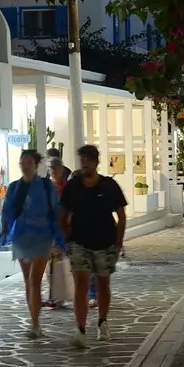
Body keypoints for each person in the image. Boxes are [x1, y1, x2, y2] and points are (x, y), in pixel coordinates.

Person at [60, 143, 130, 347]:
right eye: (81, 160)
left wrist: (118, 242)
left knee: (103, 284)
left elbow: (121, 215)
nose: (84, 164)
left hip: (105, 241)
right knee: (81, 285)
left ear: (96, 161)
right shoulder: (72, 187)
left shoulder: (109, 186)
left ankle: (102, 322)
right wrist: (66, 237)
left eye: (87, 160)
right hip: (79, 241)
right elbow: (62, 213)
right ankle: (80, 328)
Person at [0, 148, 65, 338]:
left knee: (34, 280)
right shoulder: (14, 187)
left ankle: (36, 323)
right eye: (22, 162)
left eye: (28, 162)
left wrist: (58, 237)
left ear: (36, 165)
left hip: (42, 237)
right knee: (28, 281)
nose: (25, 166)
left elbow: (55, 211)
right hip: (21, 237)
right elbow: (7, 211)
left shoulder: (45, 187)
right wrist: (5, 230)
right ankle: (34, 320)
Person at [45, 153, 73, 309]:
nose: (53, 171)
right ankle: (56, 296)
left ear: (62, 169)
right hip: (52, 229)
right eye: (51, 168)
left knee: (63, 262)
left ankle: (60, 296)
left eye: (56, 168)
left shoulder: (68, 187)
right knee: (53, 263)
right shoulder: (46, 187)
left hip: (66, 228)